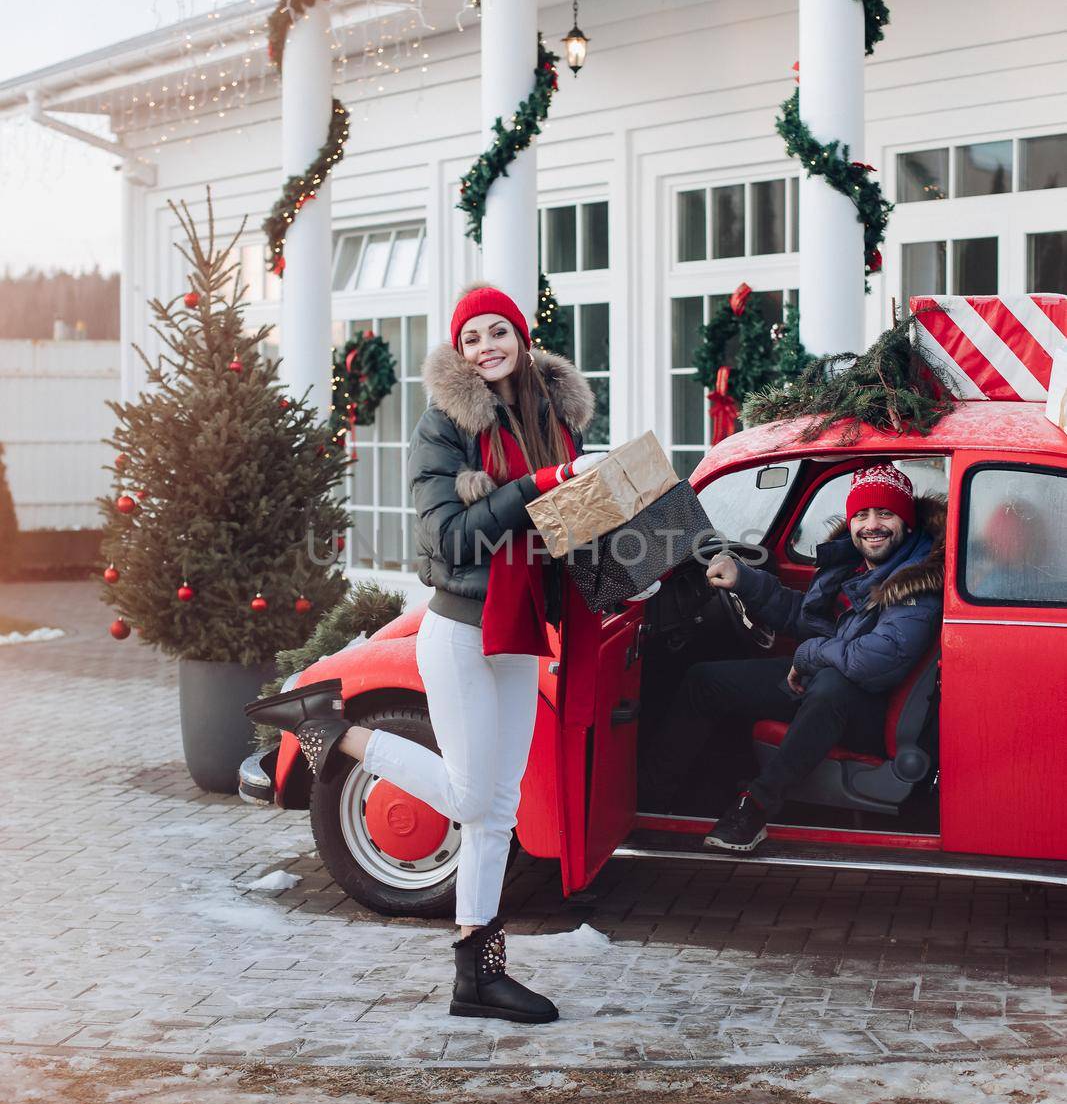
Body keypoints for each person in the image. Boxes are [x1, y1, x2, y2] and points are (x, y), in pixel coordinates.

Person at [248, 285, 599, 1024]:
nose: (486, 348)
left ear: (521, 338)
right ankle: (328, 726)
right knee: (474, 798)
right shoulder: (445, 423)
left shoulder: (552, 420)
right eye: (472, 339)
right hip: (462, 628)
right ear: (461, 352)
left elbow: (563, 531)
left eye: (498, 332)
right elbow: (450, 535)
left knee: (494, 810)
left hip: (524, 629)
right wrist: (537, 488)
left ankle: (479, 973)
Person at [642, 463, 945, 853]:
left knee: (833, 686)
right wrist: (744, 581)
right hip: (824, 683)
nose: (873, 525)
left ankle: (755, 807)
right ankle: (651, 803)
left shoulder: (917, 581)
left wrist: (806, 657)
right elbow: (807, 618)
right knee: (705, 681)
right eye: (862, 515)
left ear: (906, 521)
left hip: (870, 705)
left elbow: (875, 661)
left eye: (886, 513)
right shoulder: (853, 565)